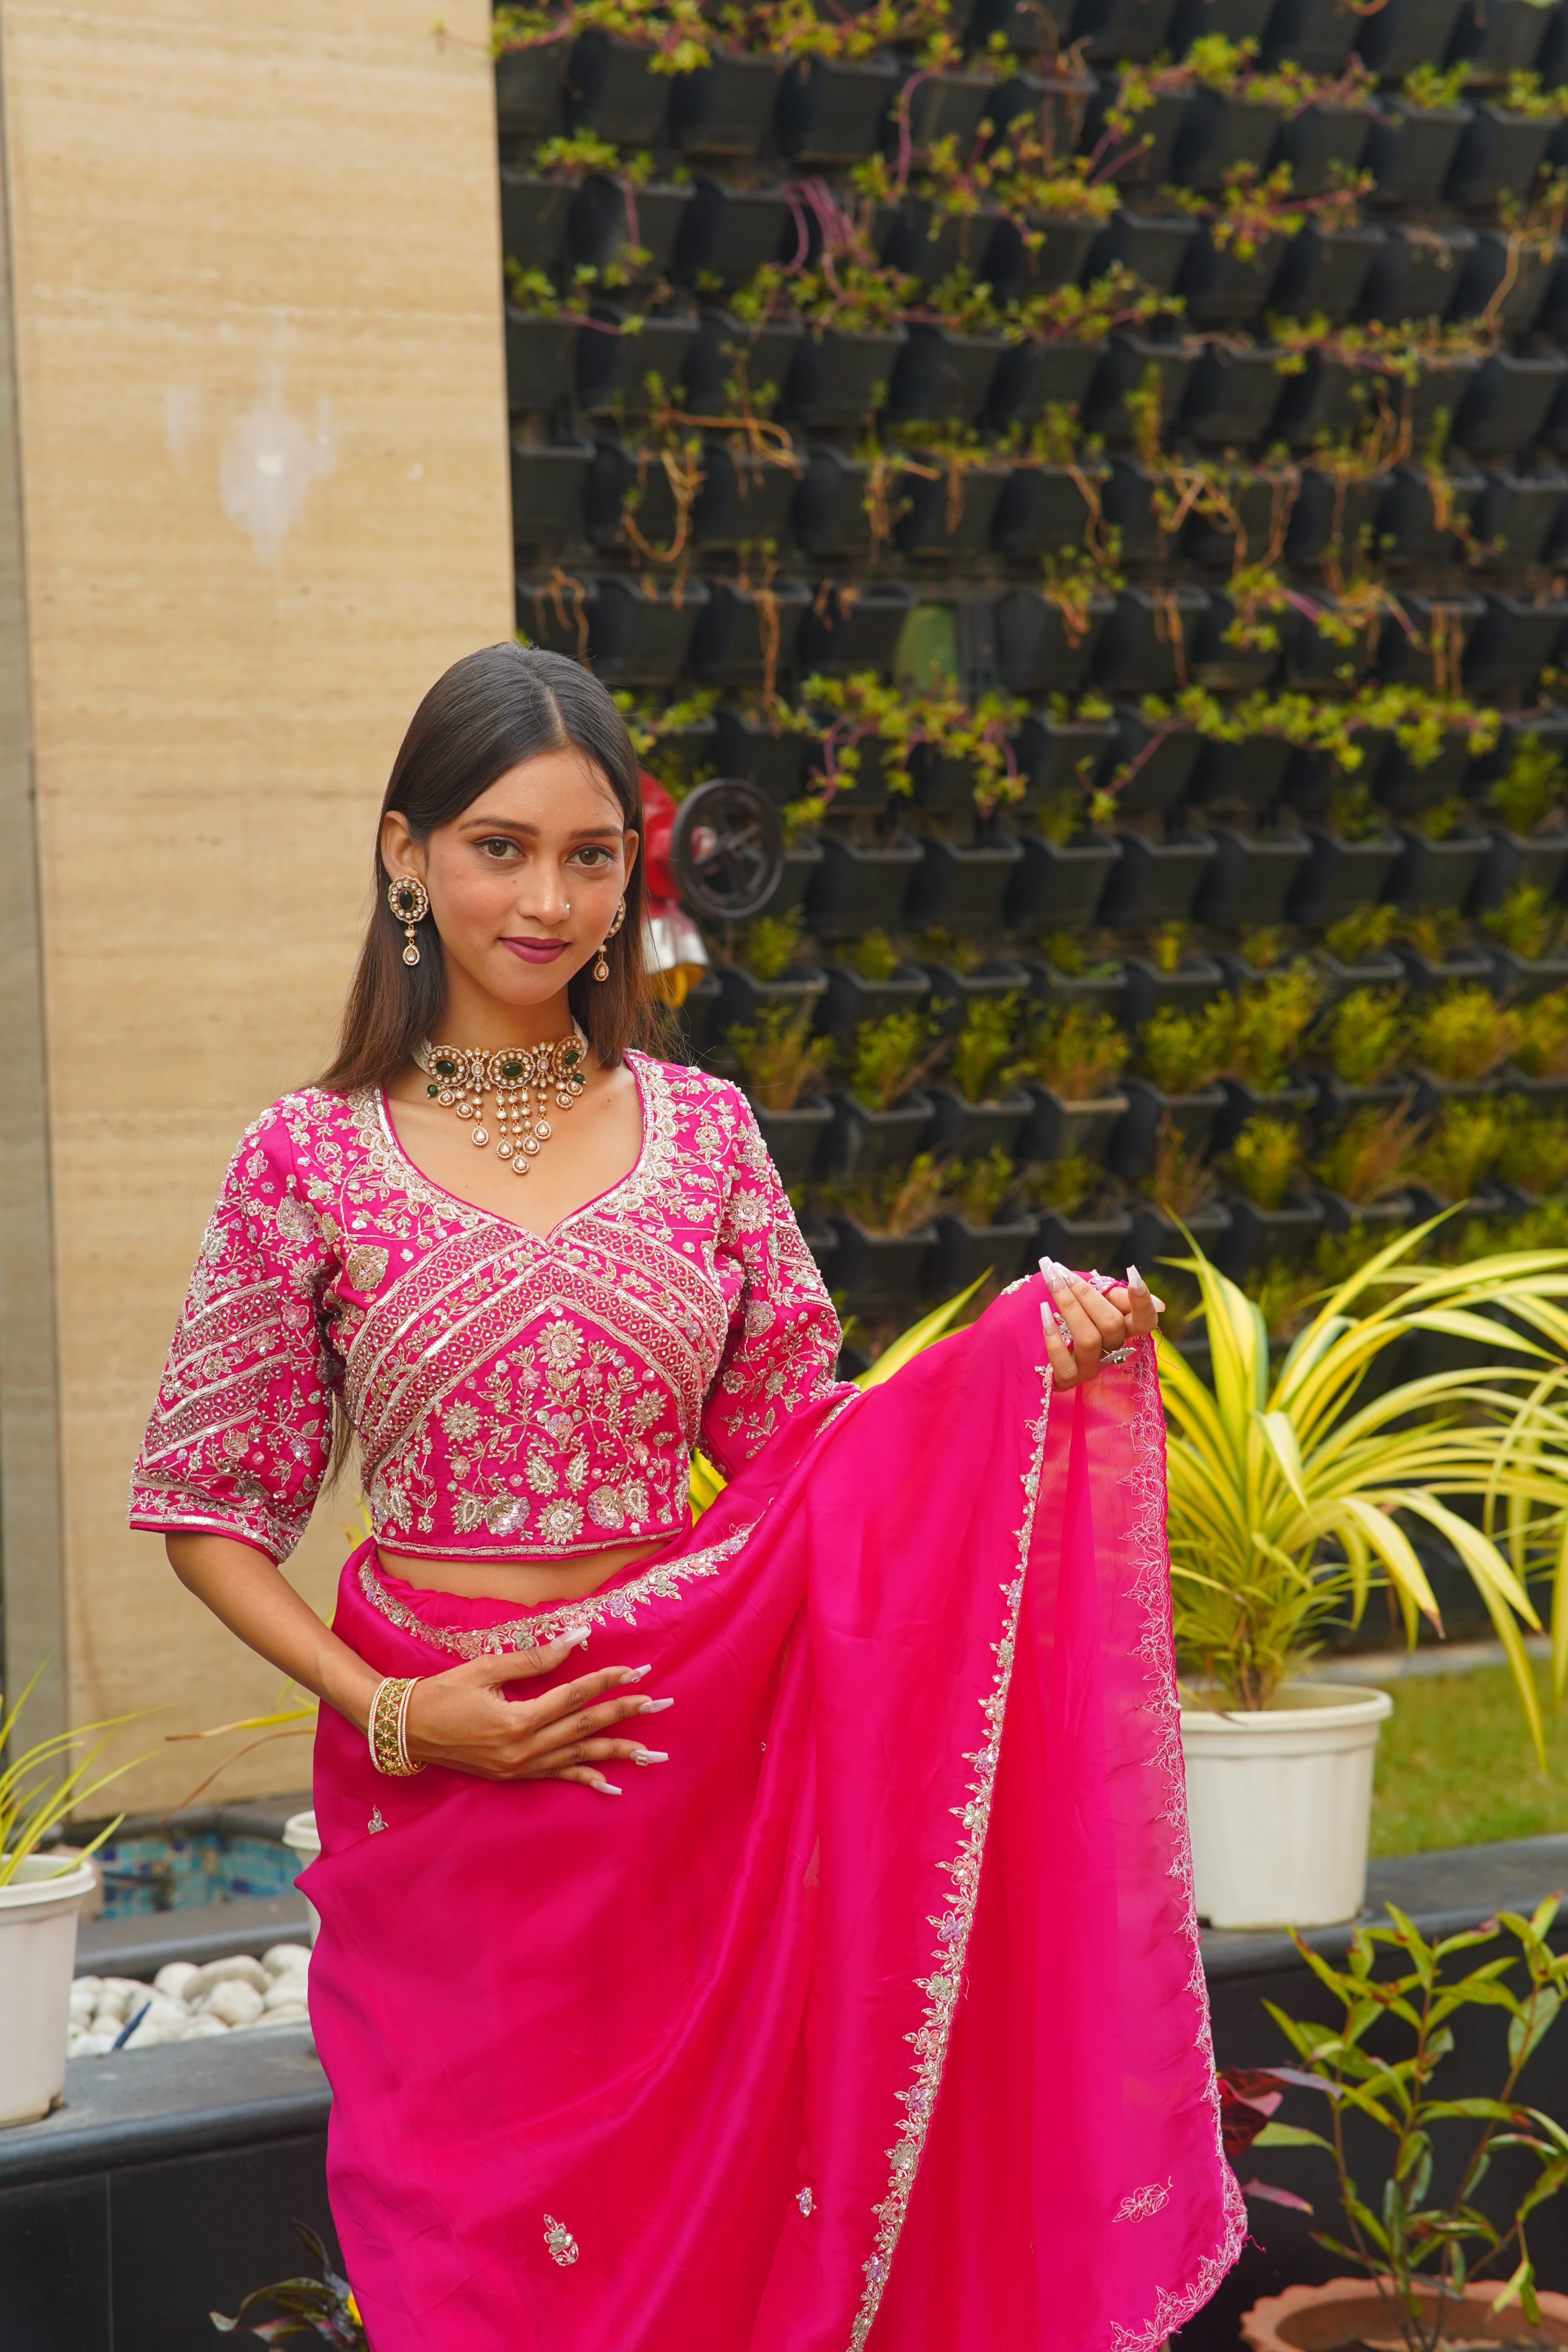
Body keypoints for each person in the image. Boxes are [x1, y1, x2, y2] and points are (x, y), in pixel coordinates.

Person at [129, 642, 1242, 2352]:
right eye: (500, 846)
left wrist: (1027, 1366)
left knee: (723, 2262)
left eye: (589, 857)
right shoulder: (308, 1157)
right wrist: (404, 1711)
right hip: (445, 1823)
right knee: (469, 2272)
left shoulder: (705, 1135)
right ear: (403, 853)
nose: (548, 897)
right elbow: (211, 1501)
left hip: (687, 1771)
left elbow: (810, 1450)